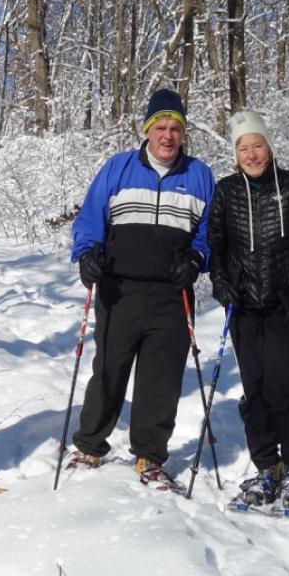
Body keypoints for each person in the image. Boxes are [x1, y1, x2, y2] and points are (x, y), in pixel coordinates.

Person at [68, 88, 215, 489]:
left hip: (172, 294)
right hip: (120, 290)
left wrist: (198, 259)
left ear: (183, 133)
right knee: (109, 370)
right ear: (147, 130)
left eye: (175, 128)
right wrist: (86, 255)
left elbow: (209, 235)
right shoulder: (117, 168)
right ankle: (90, 445)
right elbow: (89, 220)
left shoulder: (199, 175)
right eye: (160, 127)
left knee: (161, 378)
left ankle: (150, 456)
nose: (168, 136)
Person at [208, 109, 289, 511]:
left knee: (279, 390)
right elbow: (216, 245)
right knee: (253, 392)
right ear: (235, 153)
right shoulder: (226, 192)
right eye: (244, 148)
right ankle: (266, 465)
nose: (252, 154)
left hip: (281, 306)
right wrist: (221, 283)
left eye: (258, 145)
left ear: (269, 146)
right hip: (242, 308)